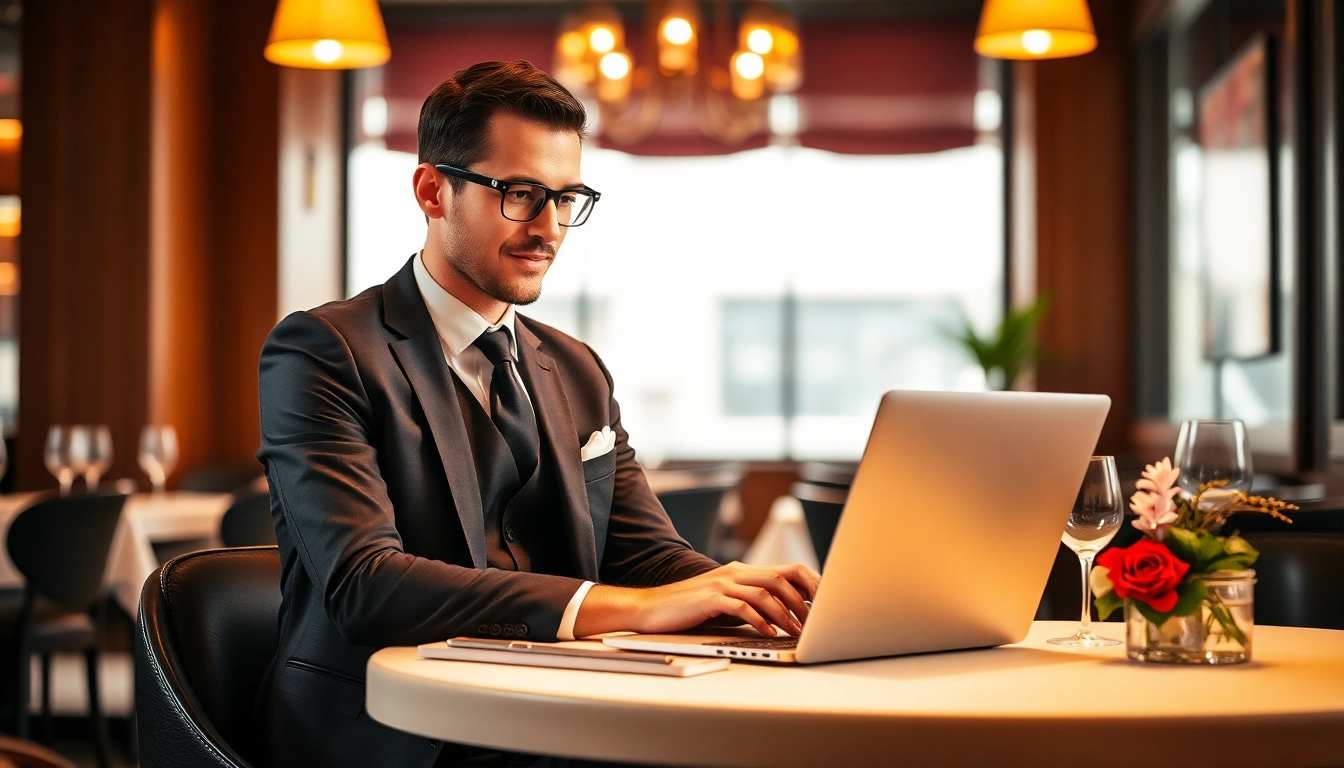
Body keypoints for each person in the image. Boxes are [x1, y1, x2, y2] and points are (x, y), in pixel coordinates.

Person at [257, 60, 819, 768]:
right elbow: (366, 585)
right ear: (434, 191)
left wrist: (753, 600)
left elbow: (645, 556)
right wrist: (633, 610)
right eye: (521, 193)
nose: (549, 227)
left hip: (560, 719)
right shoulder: (324, 351)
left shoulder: (577, 368)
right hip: (394, 734)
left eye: (567, 197)